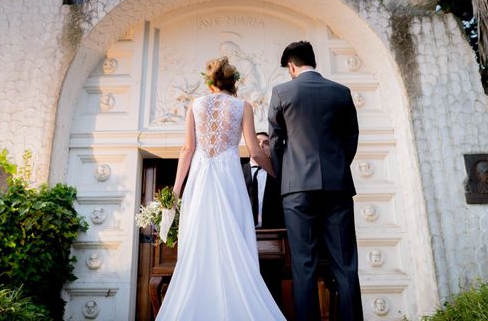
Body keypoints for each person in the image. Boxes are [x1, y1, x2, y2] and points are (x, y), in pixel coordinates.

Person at [156, 57, 285, 320]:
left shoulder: (196, 105)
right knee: (233, 240)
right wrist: (277, 175)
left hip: (201, 177)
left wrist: (176, 192)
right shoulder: (243, 106)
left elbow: (187, 149)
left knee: (199, 241)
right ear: (234, 81)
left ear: (210, 82)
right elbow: (255, 152)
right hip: (229, 178)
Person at [268, 41, 363, 321]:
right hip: (337, 187)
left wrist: (285, 177)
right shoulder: (341, 92)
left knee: (304, 265)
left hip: (297, 189)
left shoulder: (282, 92)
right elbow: (351, 138)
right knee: (345, 265)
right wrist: (336, 167)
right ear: (313, 62)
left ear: (291, 67)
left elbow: (275, 142)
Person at [242, 132, 285, 229]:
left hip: (274, 233)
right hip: (243, 233)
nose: (261, 145)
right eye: (257, 142)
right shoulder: (238, 172)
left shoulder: (279, 173)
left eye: (266, 143)